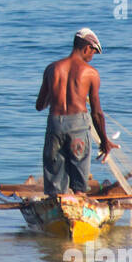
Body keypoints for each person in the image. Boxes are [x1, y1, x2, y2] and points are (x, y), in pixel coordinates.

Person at [35, 28, 118, 196]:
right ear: (87, 48)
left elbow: (40, 105)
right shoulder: (91, 73)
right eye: (93, 52)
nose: (92, 56)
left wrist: (55, 92)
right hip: (78, 126)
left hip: (55, 124)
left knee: (55, 181)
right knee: (80, 184)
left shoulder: (52, 69)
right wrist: (104, 140)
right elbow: (96, 113)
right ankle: (79, 207)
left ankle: (57, 209)